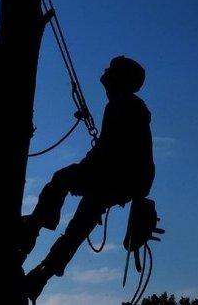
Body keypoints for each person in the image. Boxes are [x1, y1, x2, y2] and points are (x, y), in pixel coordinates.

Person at [20, 56, 156, 303]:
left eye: (111, 70)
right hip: (126, 181)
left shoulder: (122, 105)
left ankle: (34, 228)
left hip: (117, 176)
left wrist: (83, 173)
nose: (105, 71)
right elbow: (109, 149)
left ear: (120, 78)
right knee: (81, 224)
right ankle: (42, 275)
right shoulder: (128, 105)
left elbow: (109, 150)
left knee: (61, 179)